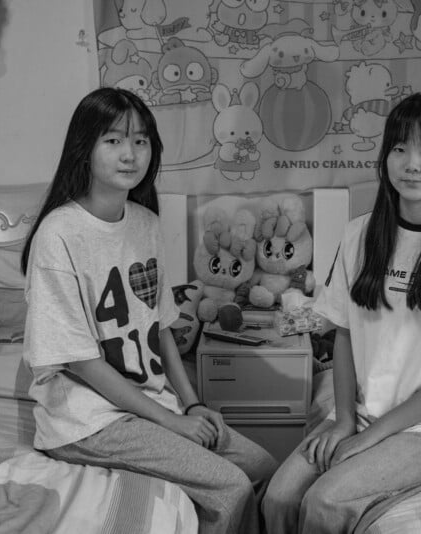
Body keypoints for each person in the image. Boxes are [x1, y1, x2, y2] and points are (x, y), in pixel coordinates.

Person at [20, 87, 277, 534]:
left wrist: (192, 403)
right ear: (85, 149)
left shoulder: (146, 224)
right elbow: (81, 360)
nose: (130, 154)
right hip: (87, 420)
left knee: (263, 466)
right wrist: (170, 422)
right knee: (232, 486)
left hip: (147, 403)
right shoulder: (58, 235)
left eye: (140, 141)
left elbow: (160, 332)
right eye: (114, 140)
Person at [262, 93, 421, 533]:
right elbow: (342, 332)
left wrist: (369, 439)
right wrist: (344, 421)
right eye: (399, 149)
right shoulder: (359, 234)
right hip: (361, 413)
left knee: (325, 502)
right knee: (279, 496)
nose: (411, 164)